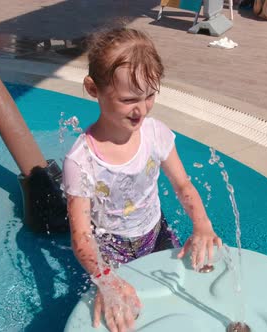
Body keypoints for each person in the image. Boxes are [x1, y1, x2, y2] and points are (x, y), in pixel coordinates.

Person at [62, 27, 222, 332]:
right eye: (129, 99)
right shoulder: (81, 161)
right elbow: (82, 238)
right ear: (93, 89)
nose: (141, 109)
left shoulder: (155, 133)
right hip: (110, 247)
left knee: (180, 295)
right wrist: (105, 278)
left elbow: (183, 185)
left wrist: (201, 225)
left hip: (155, 232)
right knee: (125, 315)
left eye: (150, 96)